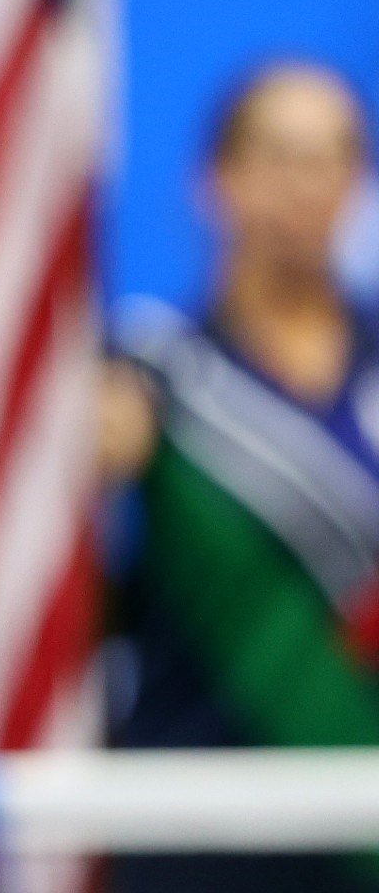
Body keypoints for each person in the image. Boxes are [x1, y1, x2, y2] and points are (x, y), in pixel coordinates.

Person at [107, 62, 379, 893]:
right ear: (214, 180)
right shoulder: (148, 373)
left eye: (332, 157)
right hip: (199, 824)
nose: (305, 186)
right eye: (278, 156)